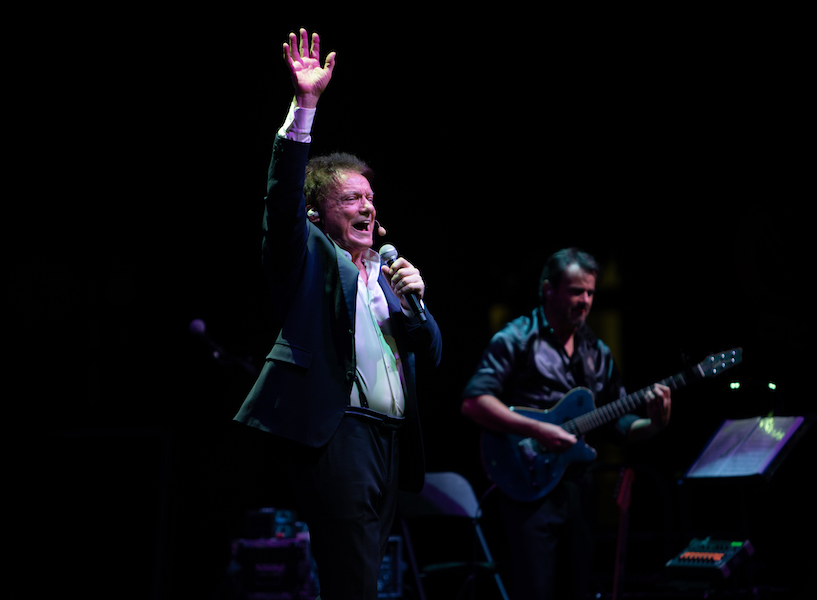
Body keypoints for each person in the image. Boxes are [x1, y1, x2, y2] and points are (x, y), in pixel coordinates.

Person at [232, 28, 442, 599]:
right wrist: (305, 107)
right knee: (353, 580)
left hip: (391, 441)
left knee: (365, 575)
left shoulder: (390, 272)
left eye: (370, 198)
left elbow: (433, 352)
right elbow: (280, 201)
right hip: (339, 434)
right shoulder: (307, 260)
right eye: (351, 198)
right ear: (318, 214)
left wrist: (417, 300)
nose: (366, 206)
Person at [460, 248, 671, 600]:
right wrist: (538, 430)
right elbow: (474, 402)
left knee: (577, 588)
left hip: (579, 488)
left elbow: (618, 422)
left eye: (590, 292)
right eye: (576, 291)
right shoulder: (517, 338)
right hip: (527, 484)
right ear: (548, 289)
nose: (585, 301)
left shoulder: (597, 352)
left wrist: (654, 425)